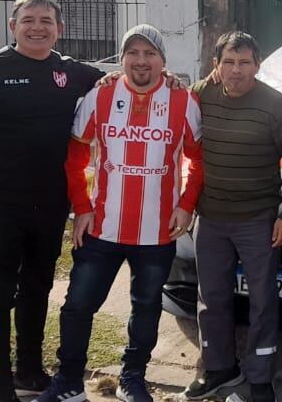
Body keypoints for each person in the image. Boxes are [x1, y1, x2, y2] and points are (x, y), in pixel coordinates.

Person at [0, 0, 105, 402]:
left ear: (59, 30)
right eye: (28, 20)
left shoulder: (73, 73)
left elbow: (126, 79)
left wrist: (163, 77)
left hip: (49, 206)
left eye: (46, 21)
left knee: (37, 288)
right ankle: (0, 391)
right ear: (13, 27)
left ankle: (29, 372)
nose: (37, 27)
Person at [37, 24, 204, 402]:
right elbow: (75, 155)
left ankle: (133, 378)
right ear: (122, 58)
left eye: (150, 54)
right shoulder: (101, 95)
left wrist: (185, 204)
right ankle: (69, 383)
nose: (141, 61)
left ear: (163, 61)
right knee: (78, 305)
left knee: (145, 309)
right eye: (133, 53)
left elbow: (199, 160)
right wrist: (81, 207)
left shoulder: (183, 101)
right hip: (101, 229)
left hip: (157, 233)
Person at [180, 31, 282, 402]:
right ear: (216, 65)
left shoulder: (275, 104)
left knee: (263, 301)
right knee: (212, 298)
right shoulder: (201, 94)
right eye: (229, 62)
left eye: (245, 62)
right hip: (211, 219)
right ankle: (219, 368)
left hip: (258, 220)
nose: (237, 70)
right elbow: (169, 96)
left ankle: (260, 377)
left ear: (258, 64)